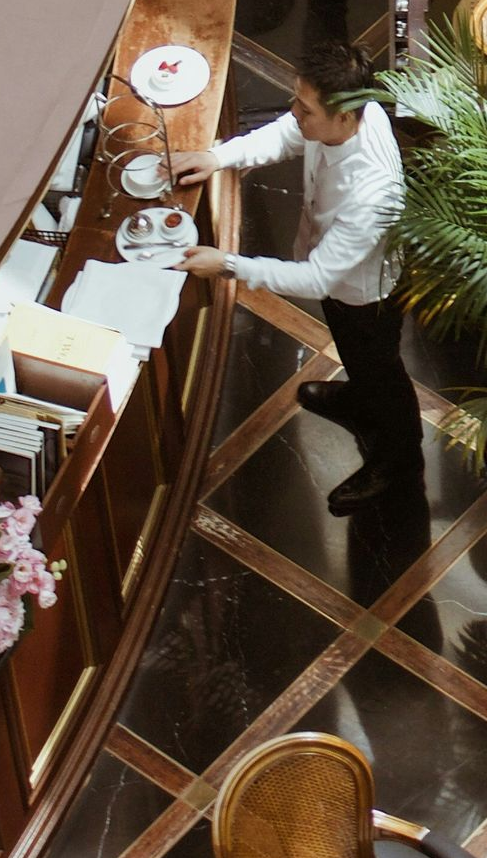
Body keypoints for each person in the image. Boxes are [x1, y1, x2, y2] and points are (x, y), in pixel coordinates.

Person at [174, 40, 424, 516]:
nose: (294, 112)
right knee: (358, 358)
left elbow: (315, 279)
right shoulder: (336, 116)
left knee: (381, 369)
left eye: (305, 108)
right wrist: (218, 157)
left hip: (366, 295)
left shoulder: (373, 192)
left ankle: (399, 459)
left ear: (347, 117)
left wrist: (226, 263)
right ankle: (359, 399)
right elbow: (288, 133)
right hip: (337, 278)